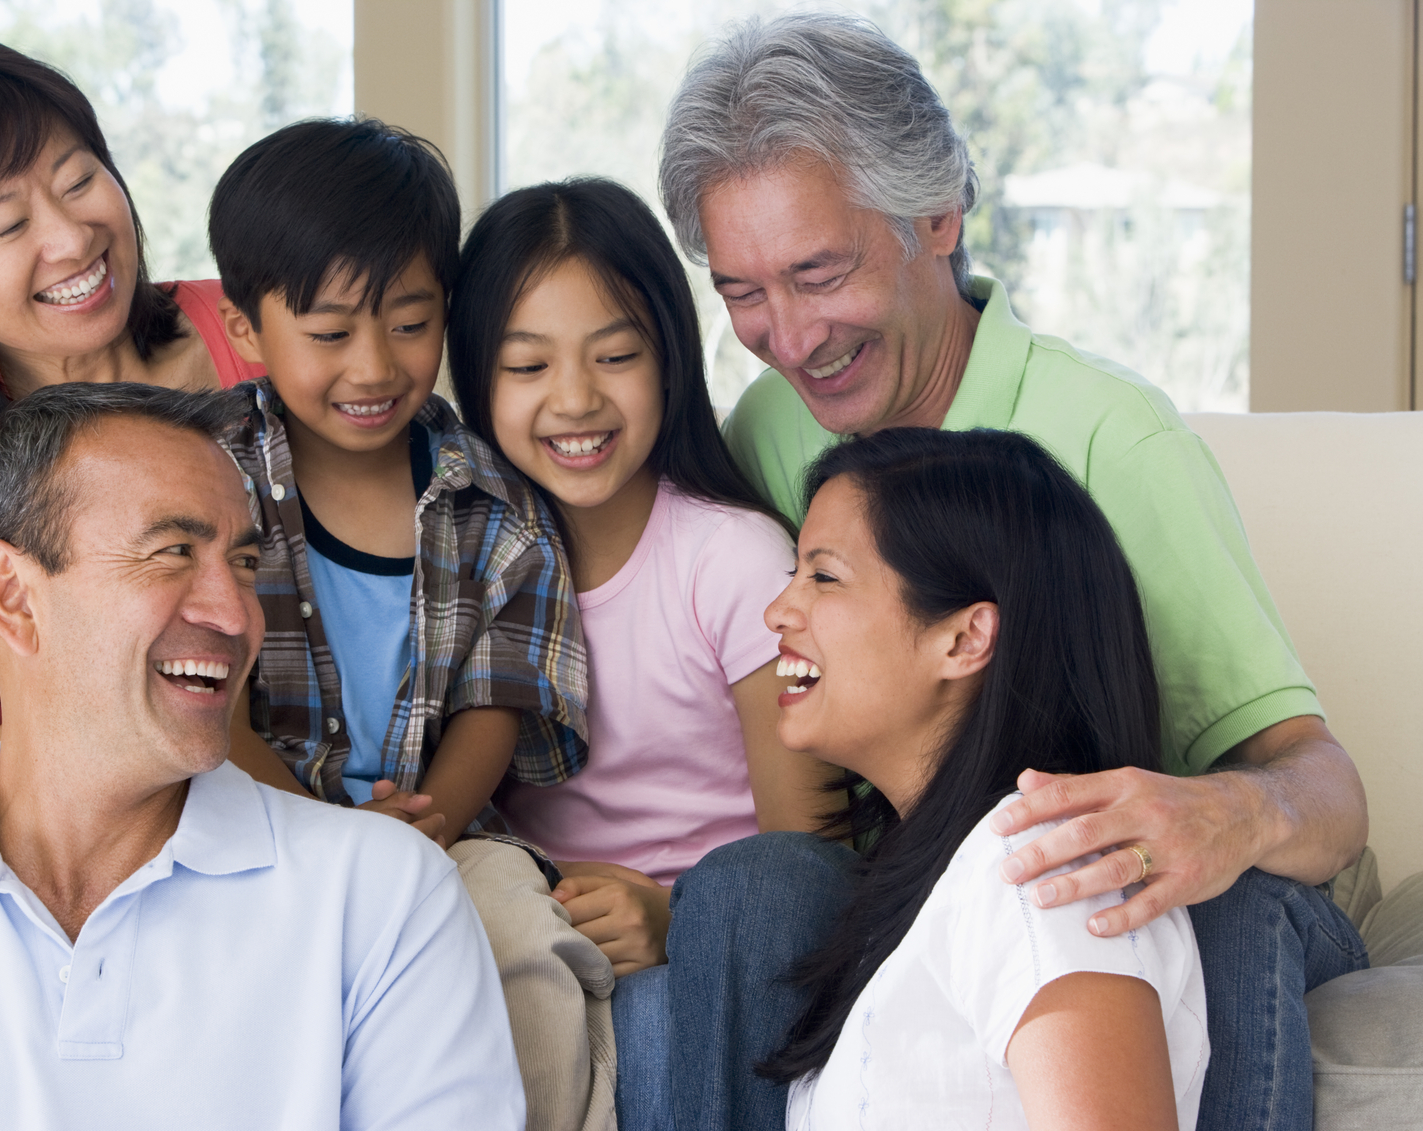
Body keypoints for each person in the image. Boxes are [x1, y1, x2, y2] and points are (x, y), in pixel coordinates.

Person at [654, 12, 1368, 1131]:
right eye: (742, 292)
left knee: (1174, 901)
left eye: (817, 272)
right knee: (757, 884)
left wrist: (1219, 819)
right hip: (929, 864)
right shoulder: (768, 432)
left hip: (1192, 880)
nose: (788, 339)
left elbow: (1321, 784)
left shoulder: (1110, 441)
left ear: (934, 215)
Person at [0, 382, 523, 1129]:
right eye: (172, 551)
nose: (235, 613)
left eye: (243, 564)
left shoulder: (384, 901)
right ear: (12, 594)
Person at [207, 120, 603, 1131]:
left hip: (439, 833)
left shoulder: (495, 502)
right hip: (238, 826)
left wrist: (414, 831)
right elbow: (199, 692)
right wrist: (323, 838)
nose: (374, 365)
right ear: (244, 330)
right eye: (330, 333)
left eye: (411, 322)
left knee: (518, 929)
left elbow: (499, 699)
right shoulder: (203, 476)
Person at [444, 177, 841, 1119]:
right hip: (533, 936)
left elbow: (804, 859)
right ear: (472, 377)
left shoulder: (730, 557)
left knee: (655, 1024)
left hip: (708, 955)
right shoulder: (458, 558)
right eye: (526, 366)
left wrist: (679, 922)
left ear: (668, 359)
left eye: (615, 355)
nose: (575, 400)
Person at [0, 37, 294, 828]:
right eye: (8, 226)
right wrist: (141, 687)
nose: (73, 239)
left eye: (80, 180)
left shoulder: (256, 328)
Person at [766, 427, 1207, 1131]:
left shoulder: (1039, 874)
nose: (777, 611)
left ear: (965, 638)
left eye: (822, 575)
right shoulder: (963, 876)